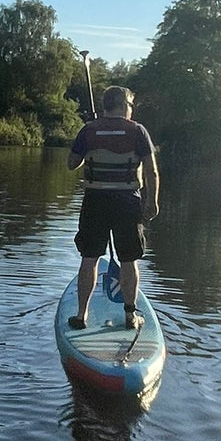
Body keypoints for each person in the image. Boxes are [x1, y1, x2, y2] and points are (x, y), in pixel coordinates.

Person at [67, 85, 159, 331]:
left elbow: (71, 164)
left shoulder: (88, 130)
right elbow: (151, 171)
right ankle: (130, 316)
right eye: (130, 105)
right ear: (121, 105)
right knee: (129, 259)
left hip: (95, 200)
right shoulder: (138, 131)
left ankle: (81, 315)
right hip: (127, 201)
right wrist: (152, 202)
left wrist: (89, 142)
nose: (131, 109)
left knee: (90, 258)